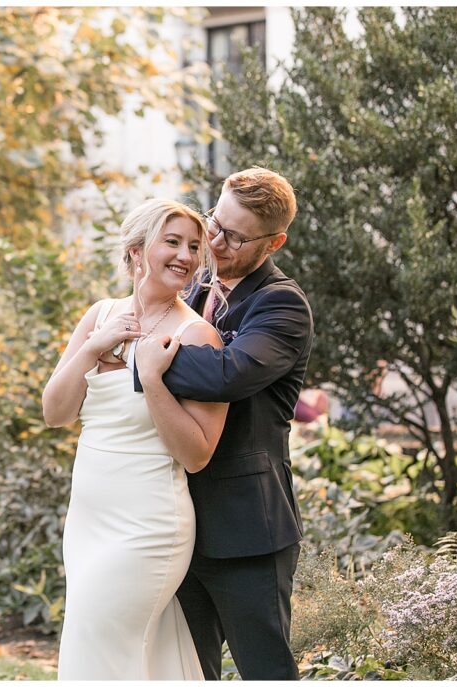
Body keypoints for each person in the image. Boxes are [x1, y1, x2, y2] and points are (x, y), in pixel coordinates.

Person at [133, 167, 313, 680]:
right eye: (216, 221)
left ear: (274, 240)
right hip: (174, 525)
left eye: (234, 235)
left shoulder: (281, 304)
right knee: (189, 672)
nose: (214, 240)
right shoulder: (192, 291)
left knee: (265, 671)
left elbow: (227, 376)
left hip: (246, 531)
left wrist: (138, 357)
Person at [43, 199, 229, 680]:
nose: (186, 256)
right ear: (135, 252)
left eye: (194, 246)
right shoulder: (100, 315)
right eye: (172, 241)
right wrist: (93, 346)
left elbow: (196, 454)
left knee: (99, 645)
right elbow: (55, 412)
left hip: (148, 525)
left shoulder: (197, 336)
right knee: (132, 654)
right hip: (88, 522)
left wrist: (151, 379)